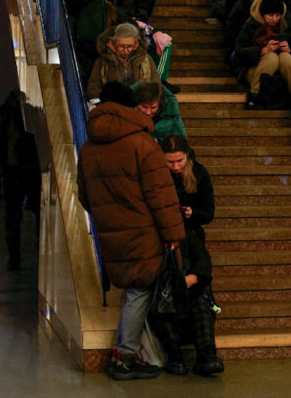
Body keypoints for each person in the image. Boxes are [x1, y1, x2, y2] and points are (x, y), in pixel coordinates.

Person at [77, 81, 185, 381]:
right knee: (140, 290)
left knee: (135, 290)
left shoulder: (89, 147)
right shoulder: (141, 143)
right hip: (144, 230)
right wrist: (174, 235)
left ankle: (135, 352)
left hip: (111, 231)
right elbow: (161, 196)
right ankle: (125, 357)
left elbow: (84, 196)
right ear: (128, 108)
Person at [149, 135, 224, 376]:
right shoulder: (155, 175)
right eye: (170, 162)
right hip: (161, 239)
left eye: (179, 161)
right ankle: (176, 355)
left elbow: (209, 211)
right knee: (162, 298)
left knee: (201, 298)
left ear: (187, 156)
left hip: (189, 235)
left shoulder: (199, 173)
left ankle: (206, 354)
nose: (176, 166)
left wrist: (193, 213)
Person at [0, 90, 41, 271]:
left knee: (12, 217)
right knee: (35, 214)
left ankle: (14, 259)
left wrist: (1, 171)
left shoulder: (2, 113)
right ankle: (35, 253)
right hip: (28, 170)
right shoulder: (32, 112)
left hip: (13, 171)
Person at [235, 0, 291, 109]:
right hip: (256, 68)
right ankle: (254, 96)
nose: (274, 19)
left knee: (286, 57)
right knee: (271, 57)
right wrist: (262, 50)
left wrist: (290, 49)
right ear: (263, 15)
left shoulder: (288, 24)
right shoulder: (251, 25)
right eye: (270, 15)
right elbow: (239, 52)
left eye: (277, 15)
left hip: (284, 69)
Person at [86, 23, 159, 103]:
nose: (125, 50)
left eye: (129, 46)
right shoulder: (102, 61)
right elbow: (94, 86)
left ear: (136, 44)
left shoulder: (146, 59)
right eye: (121, 46)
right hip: (111, 104)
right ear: (113, 43)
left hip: (139, 104)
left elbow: (155, 82)